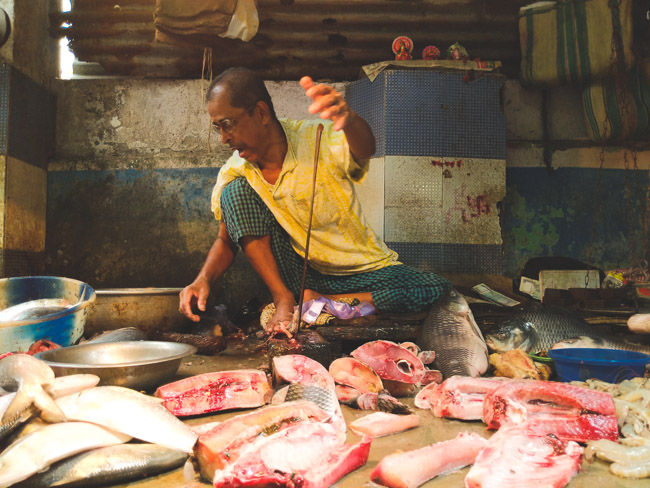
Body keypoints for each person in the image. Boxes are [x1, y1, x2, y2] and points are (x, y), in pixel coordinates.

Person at [179, 67, 451, 336]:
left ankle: (326, 301)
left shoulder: (318, 138)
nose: (225, 138)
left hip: (358, 272)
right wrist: (202, 280)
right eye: (218, 129)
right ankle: (285, 298)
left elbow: (364, 149)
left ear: (260, 113)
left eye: (228, 124)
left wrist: (349, 118)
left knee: (431, 288)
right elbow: (226, 240)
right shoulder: (238, 168)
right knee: (234, 192)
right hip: (300, 273)